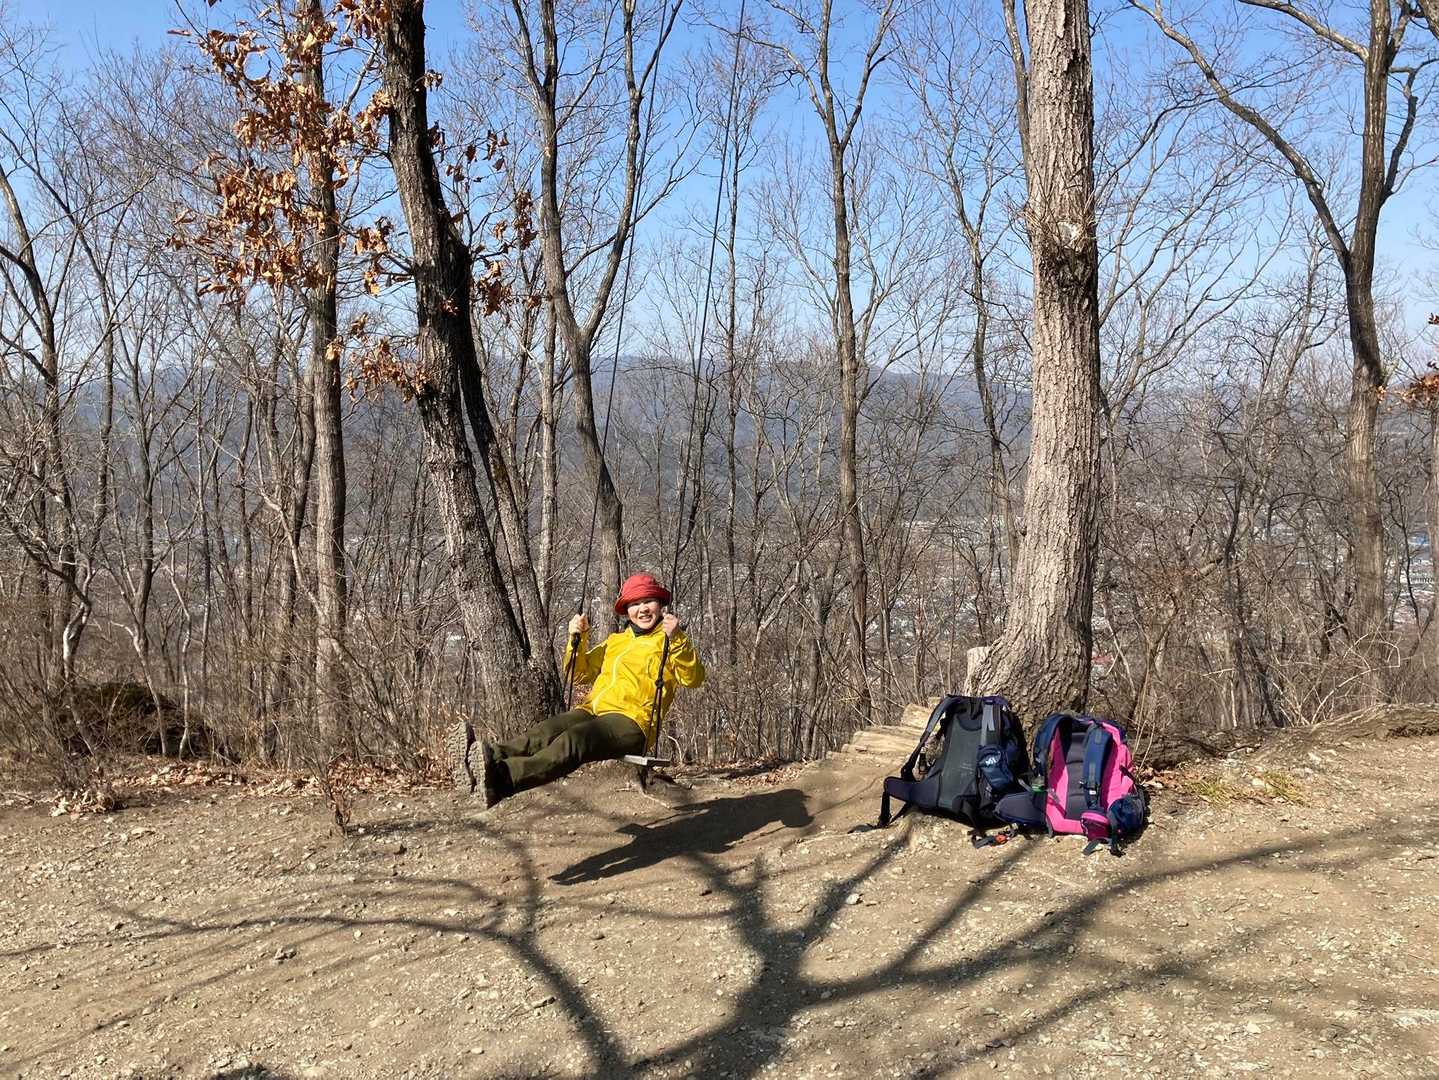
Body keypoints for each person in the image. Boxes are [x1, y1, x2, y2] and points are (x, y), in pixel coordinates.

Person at [450, 572, 705, 807]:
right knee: (546, 730)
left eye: (648, 601)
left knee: (575, 740)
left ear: (660, 604)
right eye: (635, 604)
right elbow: (579, 674)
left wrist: (678, 639)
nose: (643, 609)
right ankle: (486, 757)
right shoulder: (616, 642)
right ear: (627, 610)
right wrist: (578, 638)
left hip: (633, 721)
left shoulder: (670, 641)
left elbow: (693, 678)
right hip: (593, 710)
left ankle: (501, 780)